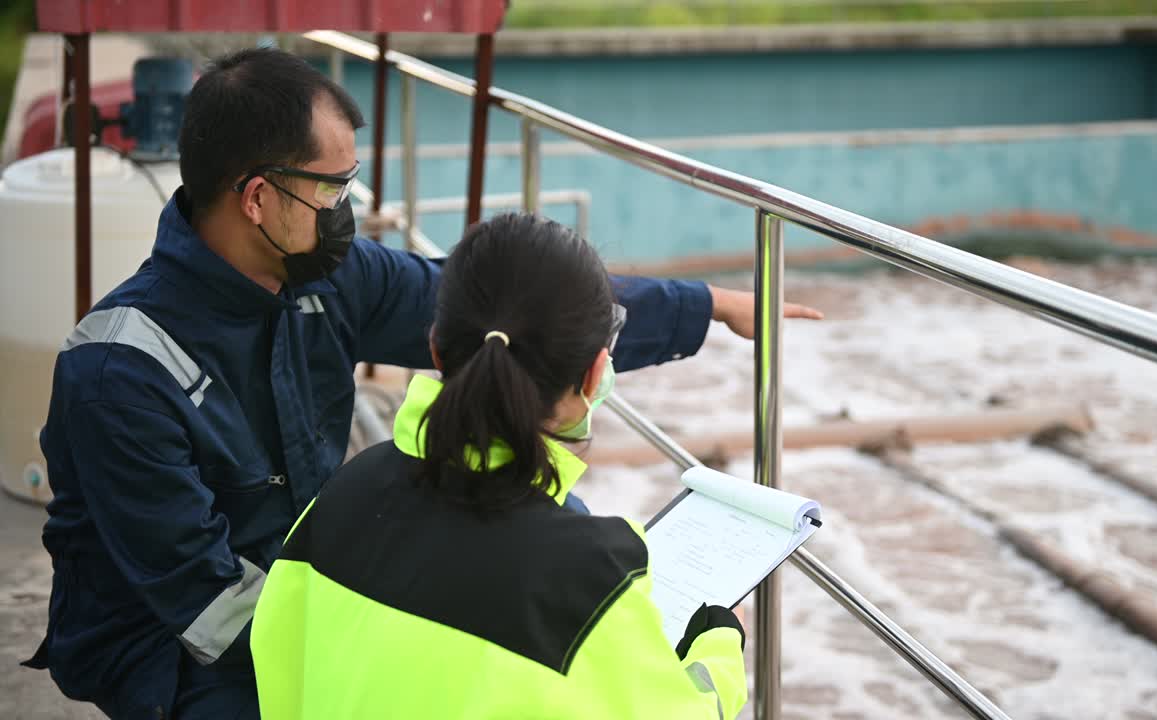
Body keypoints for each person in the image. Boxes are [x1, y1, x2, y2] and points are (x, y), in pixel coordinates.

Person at [22, 47, 820, 719]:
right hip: (173, 650)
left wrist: (707, 306)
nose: (349, 210)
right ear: (258, 199)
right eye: (331, 188)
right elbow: (208, 612)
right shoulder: (119, 374)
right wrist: (416, 648)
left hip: (315, 587)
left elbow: (515, 313)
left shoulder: (324, 279)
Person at [251, 212, 748, 719]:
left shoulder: (338, 499)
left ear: (436, 350)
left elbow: (279, 677)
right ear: (596, 373)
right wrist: (720, 647)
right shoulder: (590, 581)